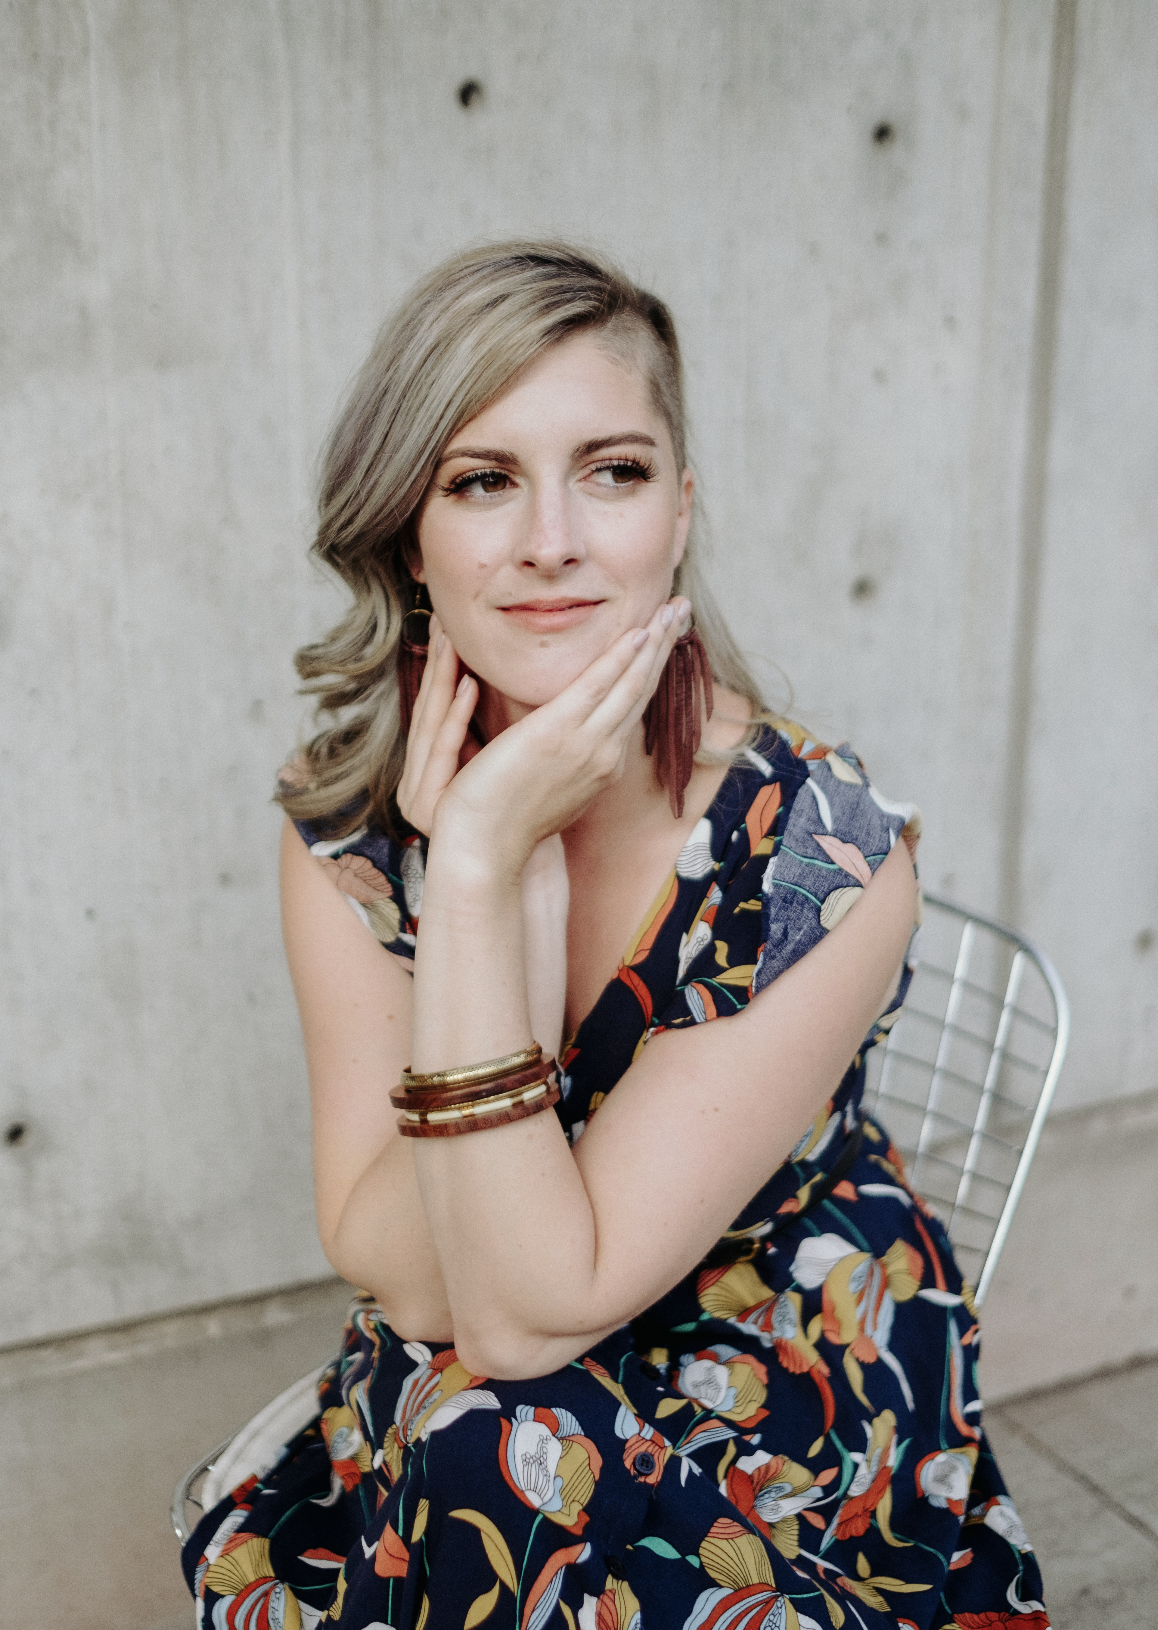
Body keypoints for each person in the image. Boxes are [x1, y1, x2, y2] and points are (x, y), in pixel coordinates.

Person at [182, 243, 1049, 1630]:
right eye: (482, 479)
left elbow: (529, 1309)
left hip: (781, 1364)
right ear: (410, 531)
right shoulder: (349, 830)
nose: (551, 541)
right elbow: (402, 1261)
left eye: (613, 470)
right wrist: (488, 882)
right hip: (481, 1351)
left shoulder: (819, 852)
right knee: (476, 1430)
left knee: (477, 1437)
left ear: (678, 513)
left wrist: (468, 877)